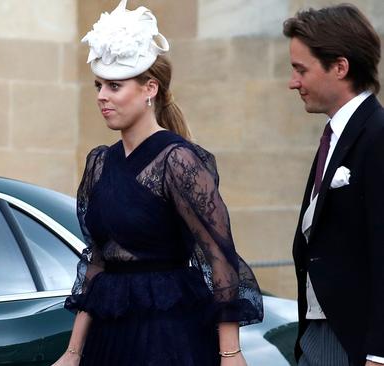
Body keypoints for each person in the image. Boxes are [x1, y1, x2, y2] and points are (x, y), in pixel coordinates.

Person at [53, 1, 263, 365]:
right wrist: (73, 352)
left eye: (115, 86)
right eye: (99, 85)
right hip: (109, 331)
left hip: (168, 331)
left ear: (150, 88)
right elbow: (98, 263)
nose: (102, 96)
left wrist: (231, 354)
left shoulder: (178, 160)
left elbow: (218, 256)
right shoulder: (99, 162)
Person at [284, 4, 384, 366]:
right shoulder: (335, 136)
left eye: (301, 70)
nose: (293, 82)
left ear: (340, 67)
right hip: (318, 334)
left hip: (354, 343)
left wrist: (378, 354)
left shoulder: (376, 135)